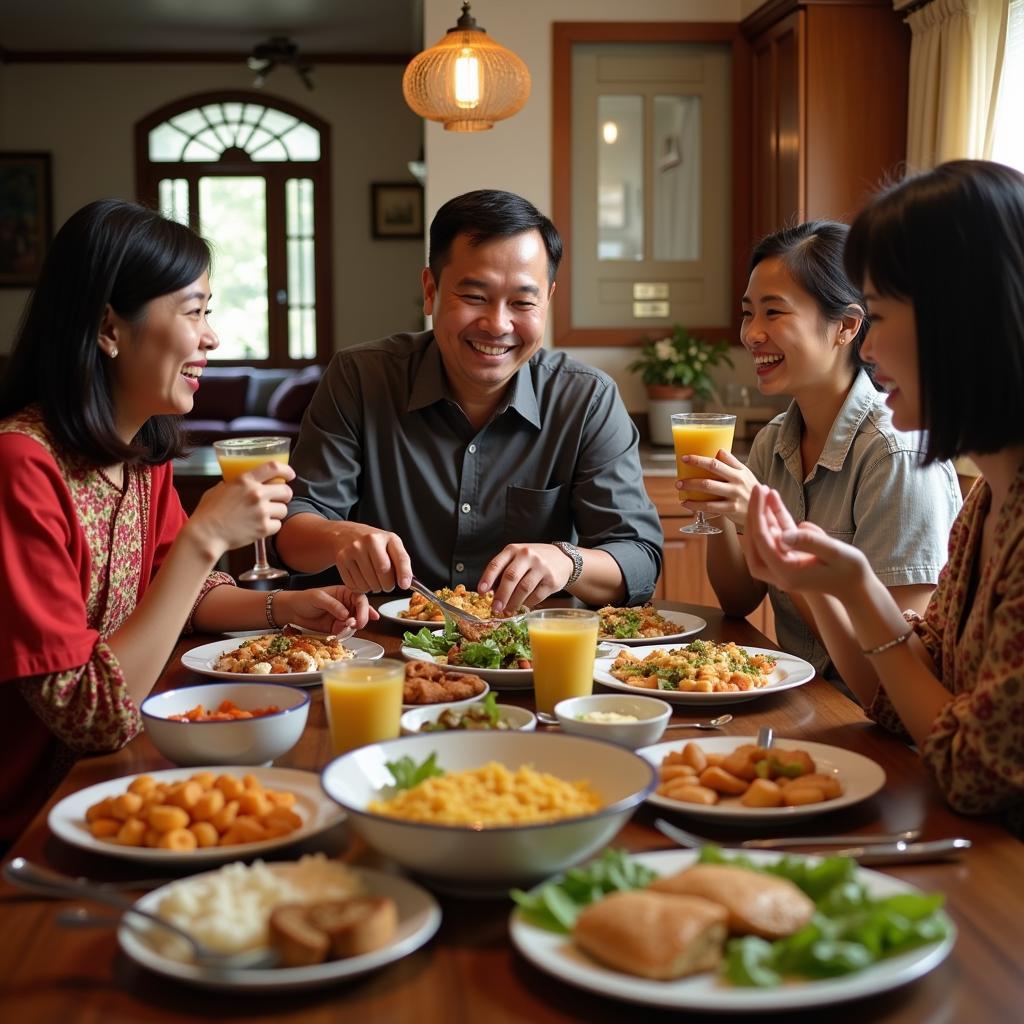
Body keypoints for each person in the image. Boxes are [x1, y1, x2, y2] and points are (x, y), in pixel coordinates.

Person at [0, 199, 373, 845]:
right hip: (34, 820)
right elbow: (95, 717)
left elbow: (186, 595)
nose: (212, 336)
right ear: (109, 328)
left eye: (210, 311)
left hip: (121, 783)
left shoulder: (139, 454)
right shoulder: (20, 467)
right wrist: (205, 537)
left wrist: (286, 608)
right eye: (194, 310)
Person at [743, 160, 1024, 827]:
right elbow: (903, 698)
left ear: (960, 324)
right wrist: (842, 584)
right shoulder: (988, 503)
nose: (866, 345)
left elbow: (970, 768)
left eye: (881, 314)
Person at [275, 189, 663, 614]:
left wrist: (566, 561)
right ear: (430, 290)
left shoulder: (586, 399)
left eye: (522, 302)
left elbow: (639, 559)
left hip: (527, 659)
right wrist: (340, 537)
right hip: (371, 653)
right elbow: (292, 529)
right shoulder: (360, 378)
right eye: (475, 297)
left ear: (547, 301)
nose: (497, 324)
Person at [679, 221, 960, 682]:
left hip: (873, 725)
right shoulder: (773, 441)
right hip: (802, 699)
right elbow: (737, 600)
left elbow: (896, 669)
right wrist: (720, 514)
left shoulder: (894, 455)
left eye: (774, 313)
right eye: (749, 313)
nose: (751, 333)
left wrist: (765, 524)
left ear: (847, 326)